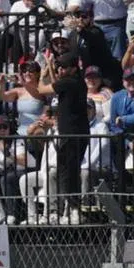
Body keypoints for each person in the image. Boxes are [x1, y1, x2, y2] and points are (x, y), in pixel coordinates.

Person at [27, 51, 86, 224]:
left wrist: (43, 72)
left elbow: (42, 89)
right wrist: (53, 70)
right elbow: (56, 85)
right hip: (71, 133)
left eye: (64, 67)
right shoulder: (72, 82)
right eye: (59, 67)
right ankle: (63, 208)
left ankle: (74, 209)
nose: (60, 70)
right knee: (63, 170)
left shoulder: (71, 82)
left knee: (70, 171)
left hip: (73, 133)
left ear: (74, 68)